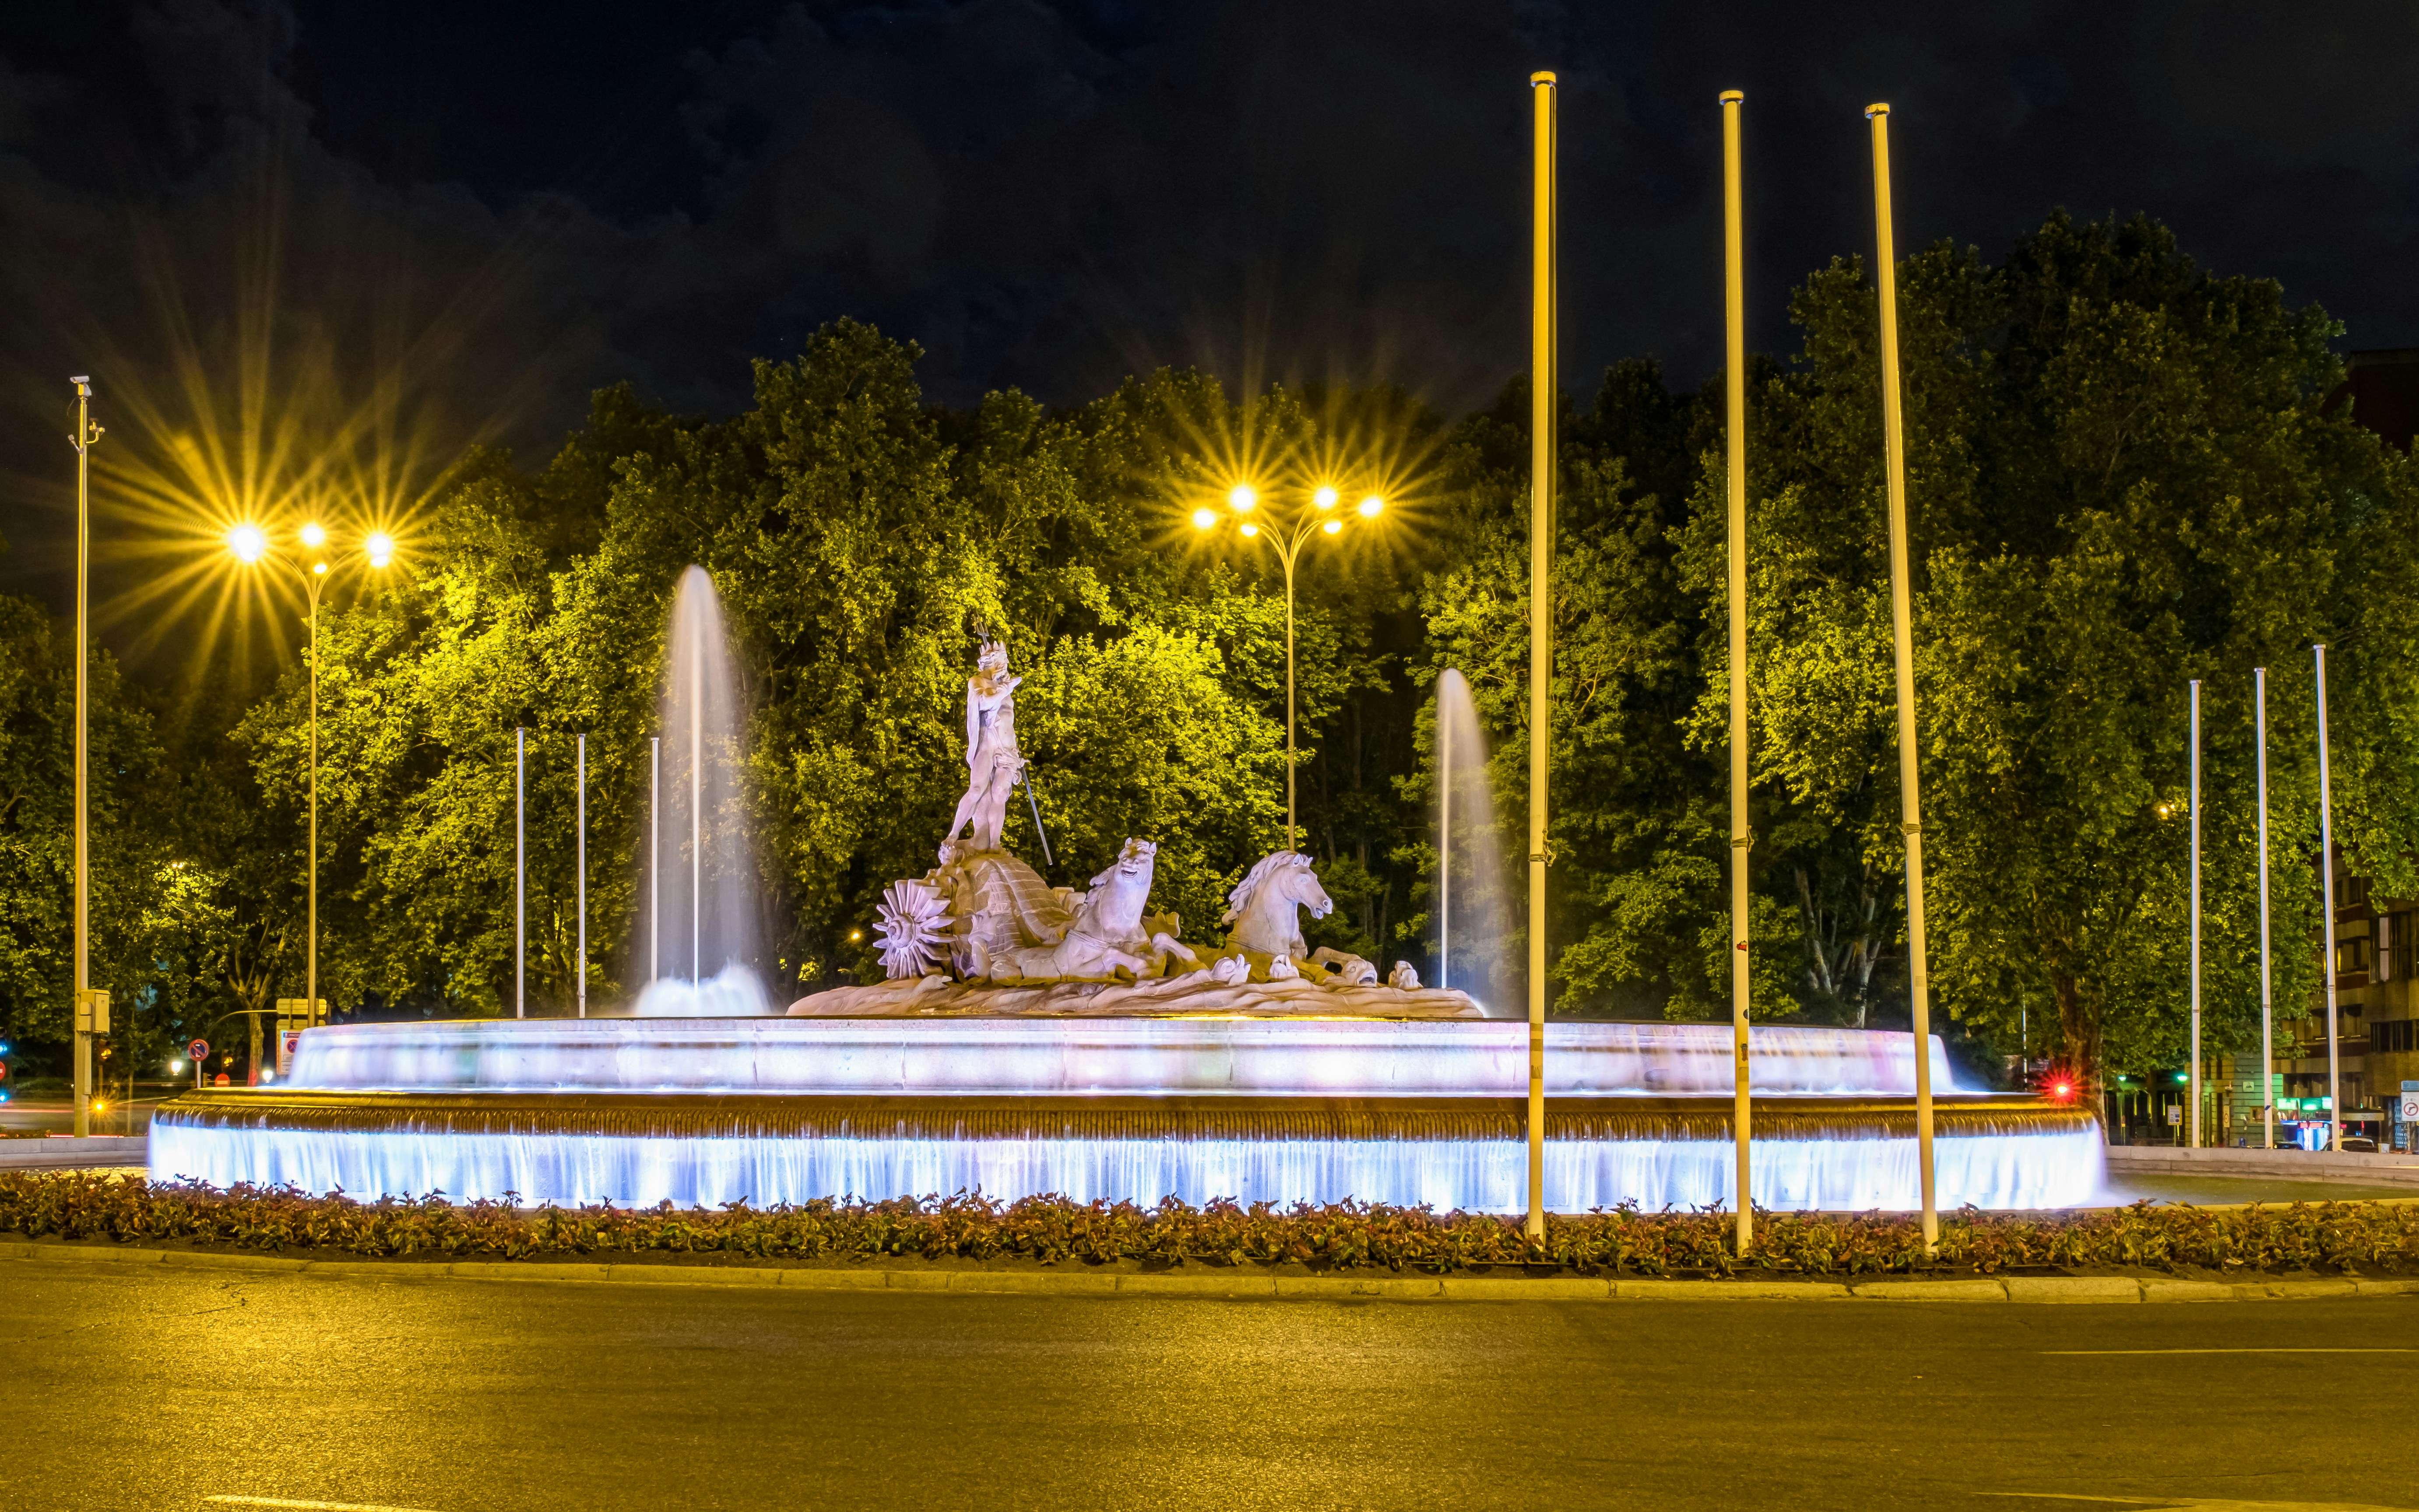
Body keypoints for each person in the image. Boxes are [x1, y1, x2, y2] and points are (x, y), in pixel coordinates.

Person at [945, 639, 1023, 854]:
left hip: (1008, 748)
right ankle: (954, 834)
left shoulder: (1003, 686)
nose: (1006, 665)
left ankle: (995, 843)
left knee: (1000, 794)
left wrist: (1005, 687)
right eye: (1003, 660)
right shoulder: (977, 681)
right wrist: (1005, 687)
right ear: (992, 663)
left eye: (1006, 661)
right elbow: (985, 703)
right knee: (978, 788)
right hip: (988, 743)